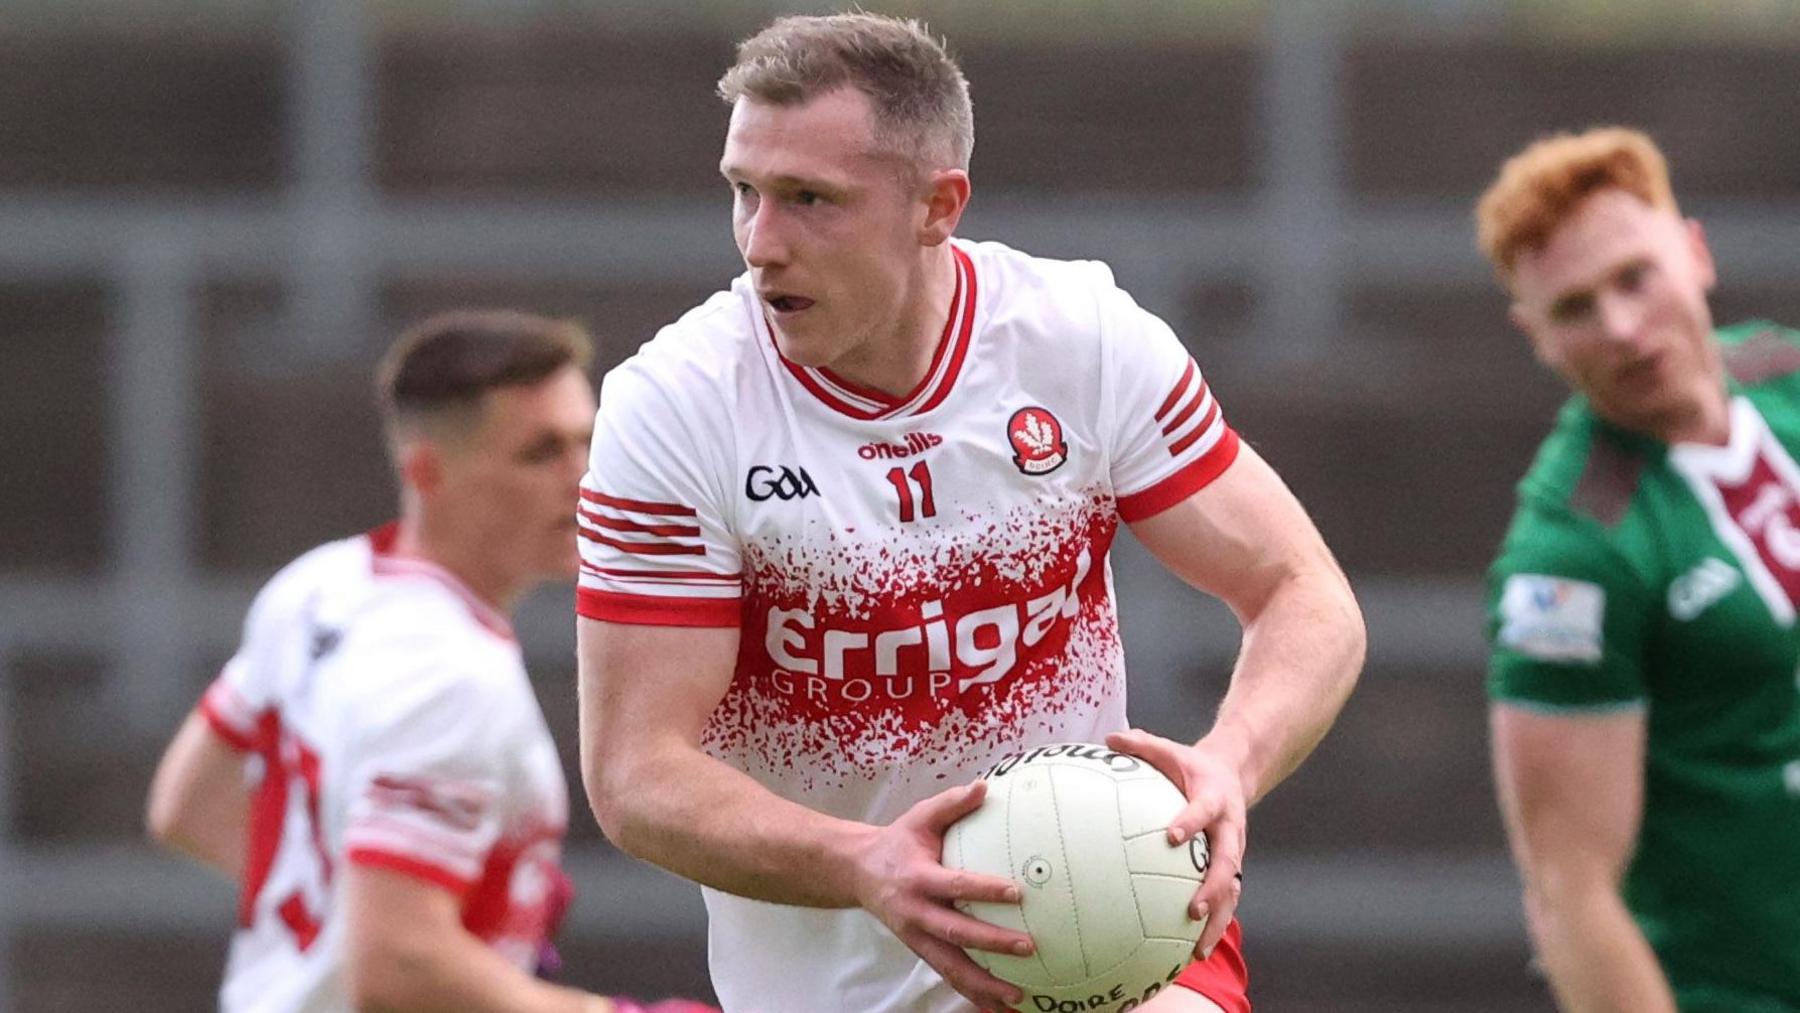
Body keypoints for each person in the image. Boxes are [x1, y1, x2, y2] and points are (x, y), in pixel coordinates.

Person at [575, 13, 1364, 1013]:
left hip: (1101, 931)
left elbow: (1305, 593)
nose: (759, 244)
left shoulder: (1081, 340)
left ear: (937, 206)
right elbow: (636, 772)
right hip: (827, 985)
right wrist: (869, 861)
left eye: (810, 199)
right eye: (744, 192)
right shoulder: (677, 406)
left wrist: (1228, 765)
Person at [146, 310, 711, 1013]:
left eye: (588, 440)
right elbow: (397, 965)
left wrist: (372, 902)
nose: (584, 476)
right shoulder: (448, 676)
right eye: (541, 452)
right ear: (426, 469)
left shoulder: (320, 586)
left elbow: (187, 806)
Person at [1478, 126, 1800, 1012]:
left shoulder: (1786, 371)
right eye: (1575, 307)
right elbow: (1568, 894)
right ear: (1535, 335)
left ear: (1694, 251)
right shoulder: (1572, 560)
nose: (1621, 326)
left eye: (1634, 277)